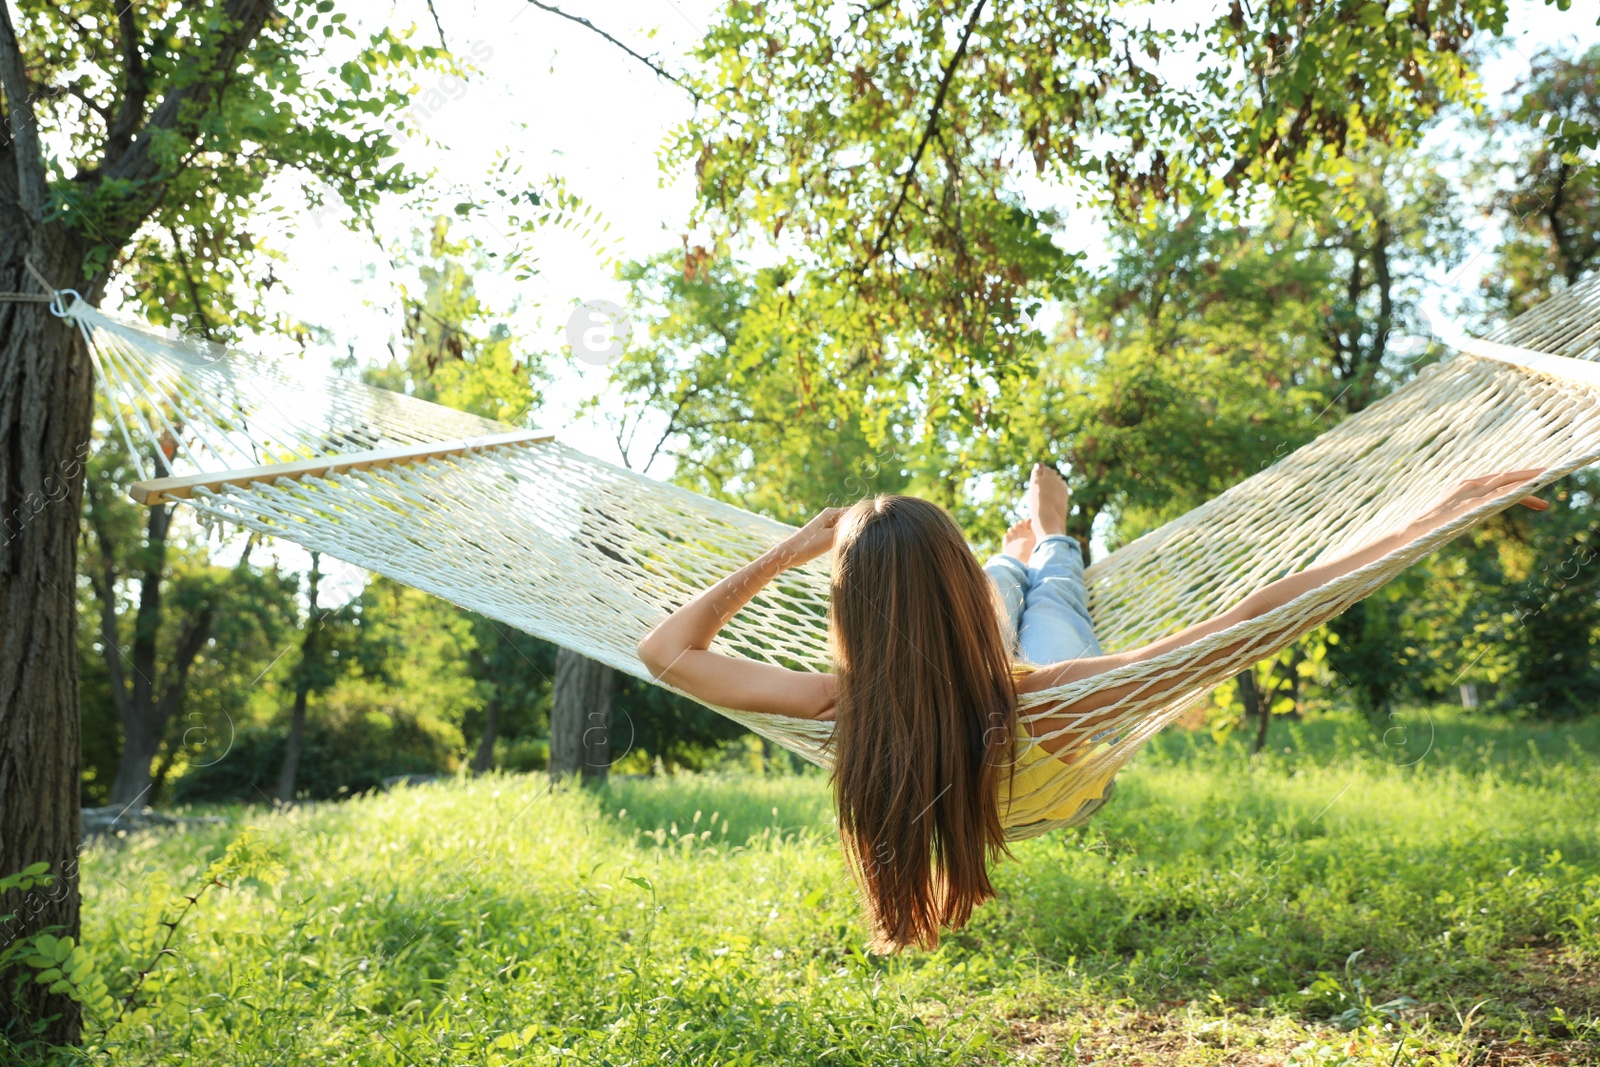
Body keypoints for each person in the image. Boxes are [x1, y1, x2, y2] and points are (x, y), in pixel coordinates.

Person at [636, 464, 1546, 951]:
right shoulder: (1059, 699)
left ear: (849, 610)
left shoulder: (843, 702)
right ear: (937, 592)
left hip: (989, 677)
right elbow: (1241, 626)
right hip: (1037, 715)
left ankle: (1013, 551)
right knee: (1053, 602)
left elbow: (664, 651)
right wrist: (1431, 519)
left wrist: (788, 553)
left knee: (1012, 600)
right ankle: (1046, 534)